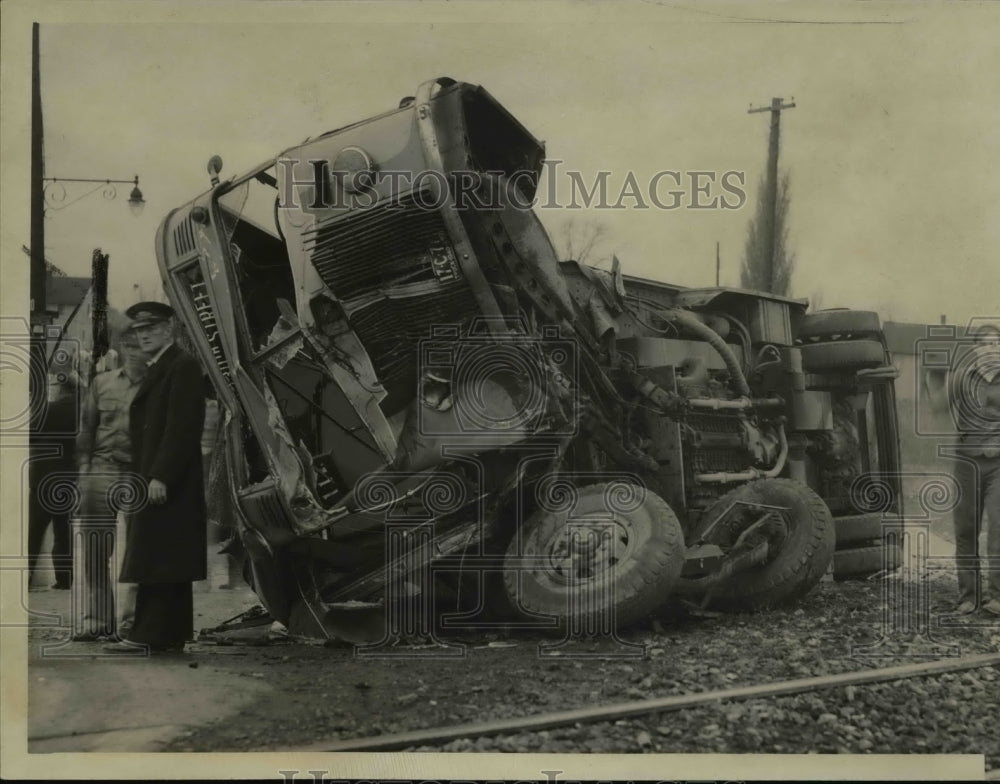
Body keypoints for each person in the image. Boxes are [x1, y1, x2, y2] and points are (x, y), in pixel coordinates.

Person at [103, 302, 207, 654]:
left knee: (160, 554)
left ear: (170, 328)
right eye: (138, 330)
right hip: (159, 476)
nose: (143, 334)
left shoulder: (182, 366)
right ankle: (169, 635)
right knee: (165, 555)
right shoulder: (166, 366)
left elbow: (181, 427)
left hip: (166, 478)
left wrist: (161, 475)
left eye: (152, 328)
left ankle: (149, 635)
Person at [72, 333, 146, 640]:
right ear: (123, 348)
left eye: (140, 346)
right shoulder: (102, 383)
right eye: (129, 344)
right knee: (95, 550)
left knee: (139, 551)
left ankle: (132, 623)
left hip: (136, 473)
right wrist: (84, 472)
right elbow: (87, 427)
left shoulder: (158, 385)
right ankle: (98, 621)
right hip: (100, 470)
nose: (134, 351)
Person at [947, 324, 1000, 616]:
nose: (992, 348)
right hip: (967, 462)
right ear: (976, 348)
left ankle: (997, 597)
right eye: (986, 343)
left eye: (997, 343)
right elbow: (941, 404)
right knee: (966, 529)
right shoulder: (961, 379)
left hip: (999, 464)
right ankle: (968, 597)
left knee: (999, 529)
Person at [28, 360, 81, 590]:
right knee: (63, 529)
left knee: (35, 529)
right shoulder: (80, 409)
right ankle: (64, 577)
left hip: (43, 478)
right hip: (68, 476)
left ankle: (26, 575)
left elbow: (30, 434)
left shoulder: (51, 409)